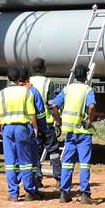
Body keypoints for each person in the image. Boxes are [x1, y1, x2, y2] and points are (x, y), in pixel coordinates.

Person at [50, 64, 99, 204]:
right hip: (83, 133)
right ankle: (85, 194)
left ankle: (64, 193)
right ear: (86, 75)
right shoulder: (87, 90)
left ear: (75, 75)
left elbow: (54, 106)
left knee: (67, 163)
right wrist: (89, 120)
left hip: (70, 133)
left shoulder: (67, 89)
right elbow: (92, 106)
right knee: (84, 164)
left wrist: (58, 121)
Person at [0, 65, 44, 202]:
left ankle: (13, 194)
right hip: (22, 128)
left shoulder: (2, 93)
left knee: (10, 162)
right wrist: (35, 128)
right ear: (19, 78)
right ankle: (29, 191)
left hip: (7, 129)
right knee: (26, 161)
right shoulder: (26, 92)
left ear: (9, 78)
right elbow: (31, 113)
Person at [28, 57, 60, 188]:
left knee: (35, 151)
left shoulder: (27, 82)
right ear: (44, 69)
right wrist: (57, 120)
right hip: (46, 122)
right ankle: (59, 179)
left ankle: (37, 179)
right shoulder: (47, 82)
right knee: (53, 151)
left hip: (32, 122)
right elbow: (52, 104)